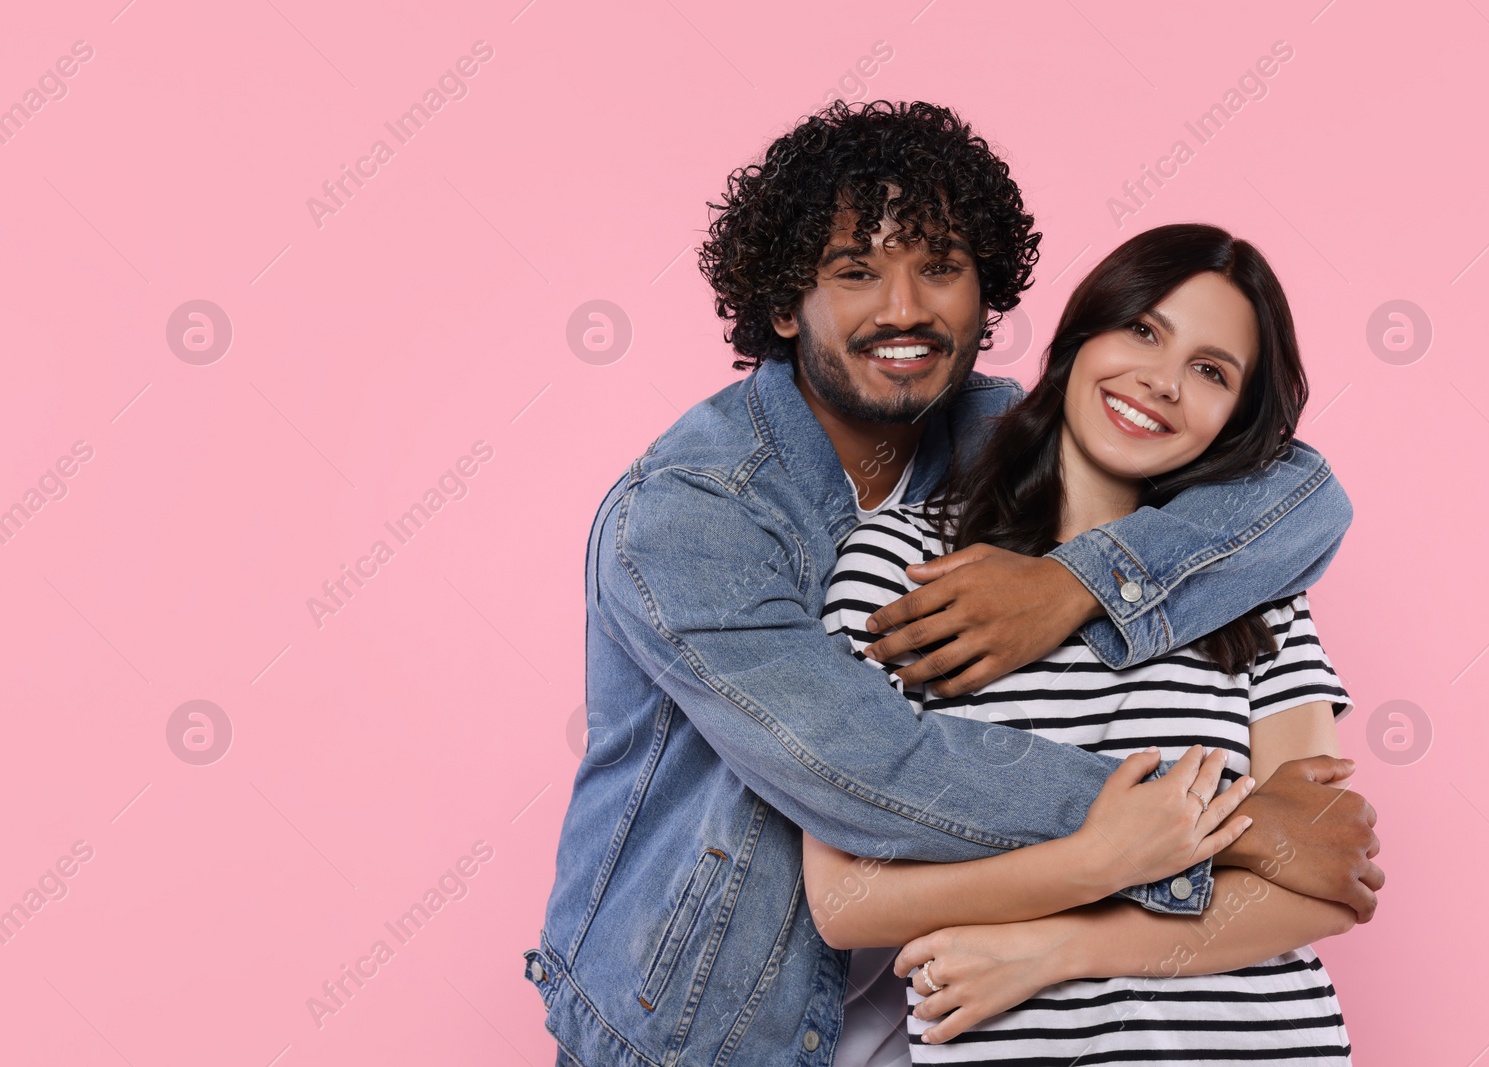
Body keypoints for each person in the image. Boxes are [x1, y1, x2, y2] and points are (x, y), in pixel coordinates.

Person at [526, 101, 1381, 1067]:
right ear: (780, 303)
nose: (903, 308)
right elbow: (874, 770)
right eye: (855, 271)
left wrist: (1072, 587)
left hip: (935, 1018)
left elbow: (1303, 495)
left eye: (939, 267)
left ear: (989, 296)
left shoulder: (988, 436)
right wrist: (1221, 823)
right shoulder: (689, 517)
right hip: (714, 1024)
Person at [808, 222, 1363, 1063]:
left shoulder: (1252, 589)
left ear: (1235, 416)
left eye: (1210, 371)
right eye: (1143, 329)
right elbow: (846, 899)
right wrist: (1099, 857)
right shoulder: (899, 565)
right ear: (1081, 333)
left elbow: (1328, 875)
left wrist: (1062, 947)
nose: (1163, 382)